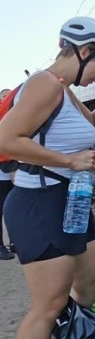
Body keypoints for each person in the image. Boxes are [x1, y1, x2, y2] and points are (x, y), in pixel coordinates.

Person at [0, 16, 95, 339]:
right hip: (38, 205)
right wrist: (68, 160)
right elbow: (6, 139)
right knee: (49, 304)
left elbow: (93, 131)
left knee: (89, 287)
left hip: (71, 200)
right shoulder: (43, 84)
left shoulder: (67, 91)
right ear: (83, 51)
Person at [0, 88, 15, 260]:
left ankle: (14, 242)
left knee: (11, 208)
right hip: (3, 171)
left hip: (11, 168)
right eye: (4, 96)